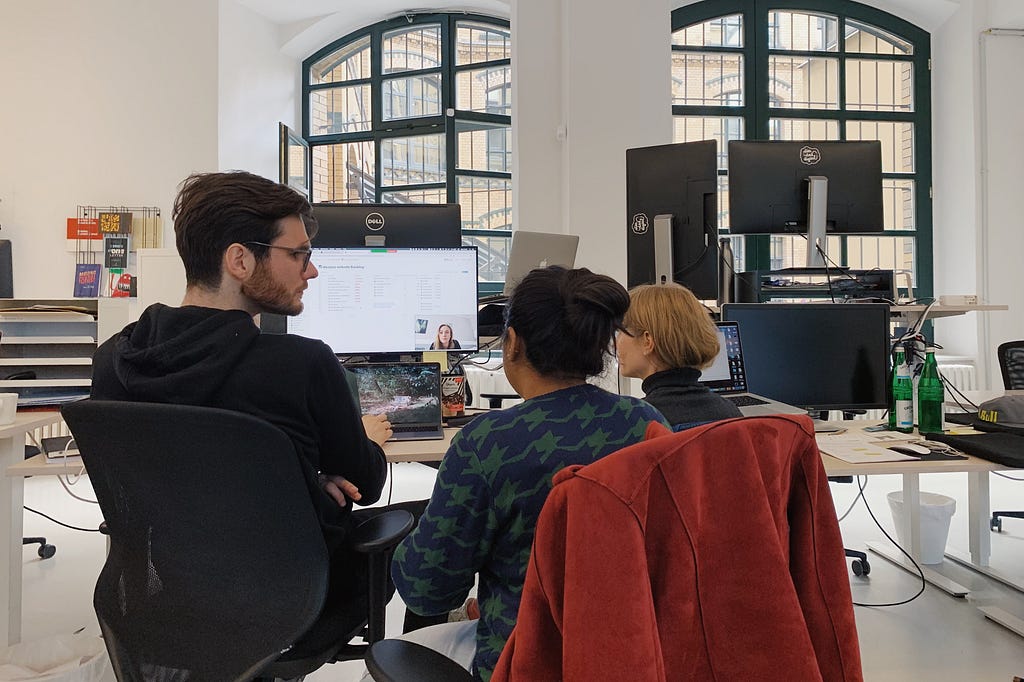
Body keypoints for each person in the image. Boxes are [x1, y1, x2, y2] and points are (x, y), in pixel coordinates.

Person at [90, 170, 393, 601]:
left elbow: (160, 487)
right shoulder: (302, 364)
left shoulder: (113, 360)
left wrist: (301, 479)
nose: (313, 271)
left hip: (170, 598)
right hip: (291, 599)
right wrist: (356, 447)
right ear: (240, 261)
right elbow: (367, 484)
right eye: (299, 255)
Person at [389, 266, 669, 681]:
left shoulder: (486, 444)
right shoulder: (645, 423)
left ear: (512, 343)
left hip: (522, 660)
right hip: (630, 654)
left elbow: (427, 590)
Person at [616, 282, 741, 428]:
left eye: (621, 331)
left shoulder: (632, 423)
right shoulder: (730, 413)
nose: (616, 342)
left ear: (647, 341)